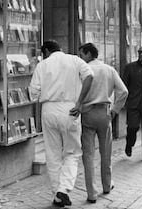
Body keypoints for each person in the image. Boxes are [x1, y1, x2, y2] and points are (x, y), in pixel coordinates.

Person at [29, 40, 94, 207]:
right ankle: (63, 189)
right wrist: (80, 102)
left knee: (53, 153)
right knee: (72, 152)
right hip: (70, 108)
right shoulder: (74, 60)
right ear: (60, 49)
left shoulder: (42, 65)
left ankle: (57, 193)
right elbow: (90, 76)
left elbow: (33, 93)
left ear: (46, 51)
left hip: (48, 109)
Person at [74, 43, 128, 203]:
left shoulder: (82, 70)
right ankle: (106, 185)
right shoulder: (109, 69)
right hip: (105, 112)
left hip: (87, 113)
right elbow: (124, 91)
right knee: (106, 152)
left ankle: (91, 193)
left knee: (88, 155)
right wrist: (115, 110)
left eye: (81, 54)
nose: (80, 58)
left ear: (88, 54)